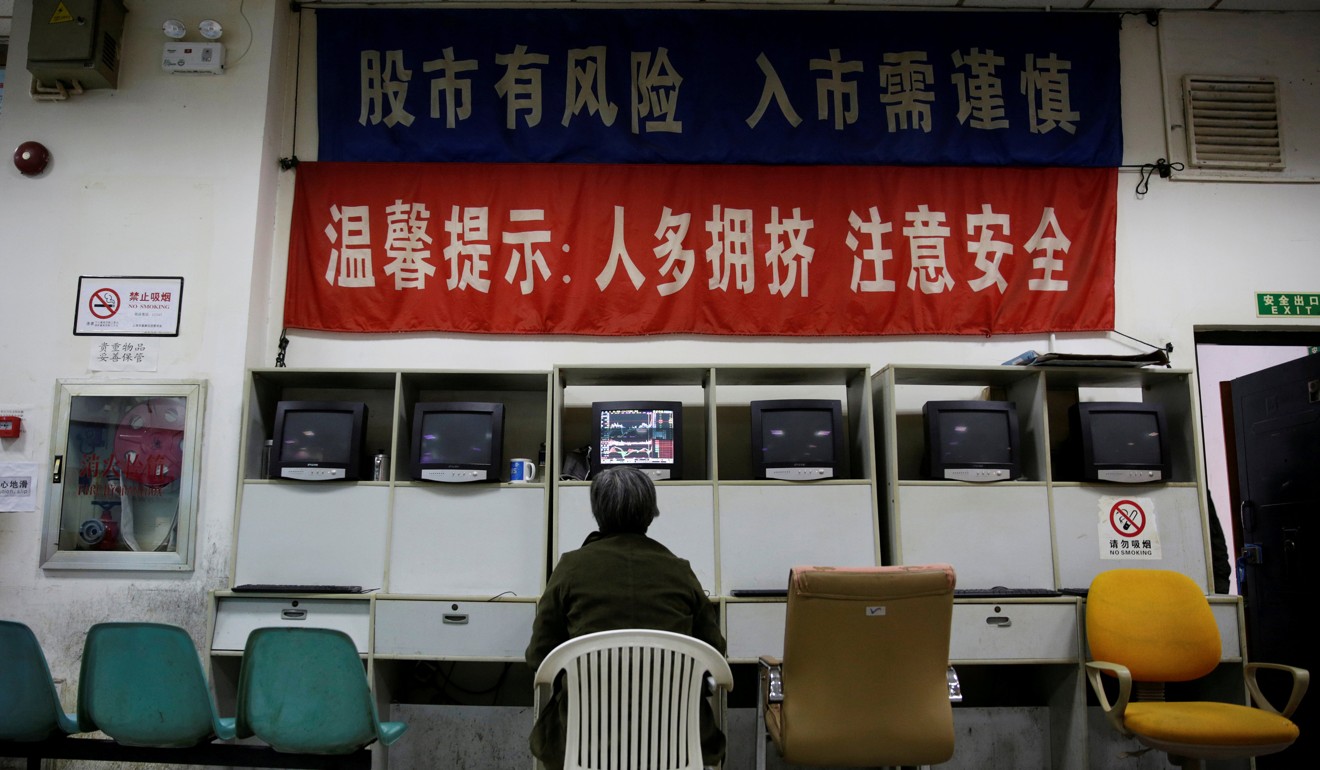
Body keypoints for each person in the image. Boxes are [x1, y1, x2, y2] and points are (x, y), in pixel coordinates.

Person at [525, 466, 726, 770]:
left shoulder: (571, 568)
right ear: (649, 513)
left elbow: (539, 655)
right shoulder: (679, 571)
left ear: (599, 513)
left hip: (582, 745)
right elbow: (714, 650)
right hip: (677, 745)